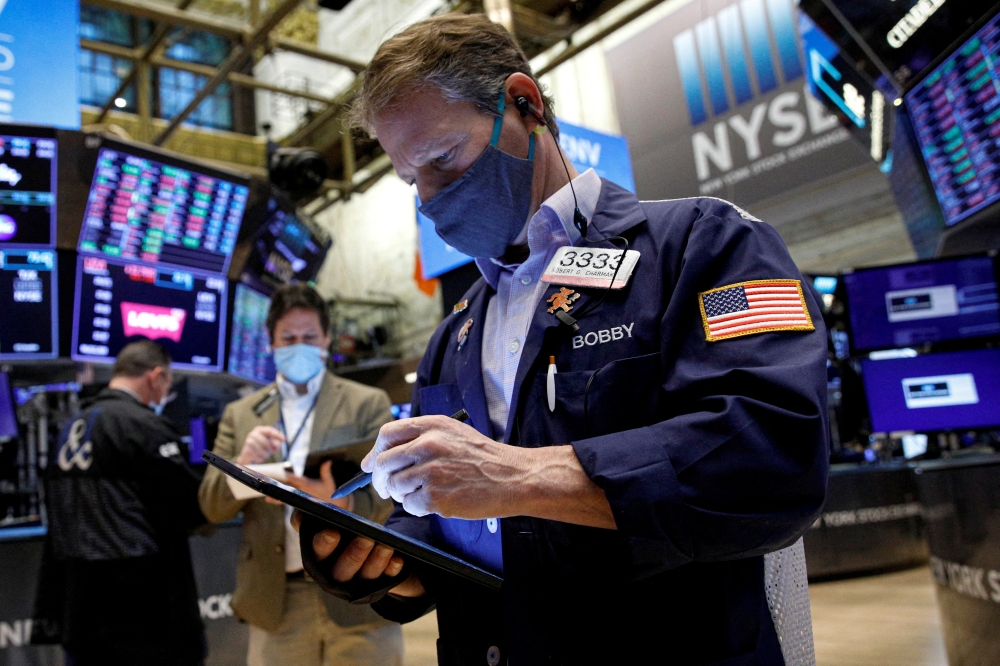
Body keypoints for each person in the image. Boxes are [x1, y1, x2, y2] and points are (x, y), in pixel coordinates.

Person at [298, 13, 829, 665]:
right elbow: (459, 530)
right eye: (413, 182)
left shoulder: (703, 246)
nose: (431, 202)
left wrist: (516, 475)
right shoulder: (454, 334)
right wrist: (383, 559)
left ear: (525, 104)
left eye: (443, 159)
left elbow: (772, 459)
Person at [199, 283, 403, 666]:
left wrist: (338, 500)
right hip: (277, 598)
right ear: (271, 342)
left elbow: (393, 494)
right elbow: (210, 507)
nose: (299, 345)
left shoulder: (366, 403)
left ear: (326, 339)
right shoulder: (241, 415)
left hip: (357, 591)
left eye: (309, 337)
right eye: (288, 337)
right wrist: (242, 466)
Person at [44, 340, 207, 666]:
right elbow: (191, 510)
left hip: (79, 613)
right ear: (155, 376)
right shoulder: (145, 427)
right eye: (167, 385)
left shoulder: (69, 427)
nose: (165, 395)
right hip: (144, 621)